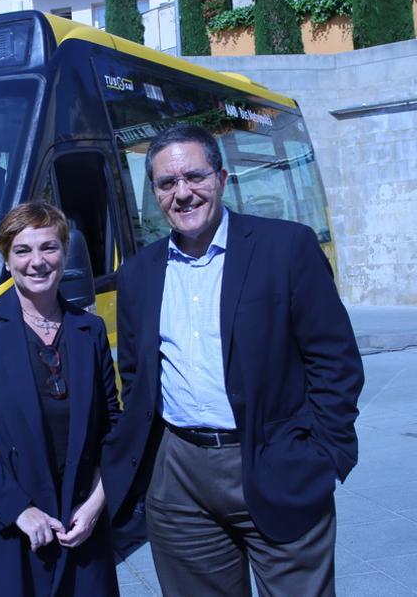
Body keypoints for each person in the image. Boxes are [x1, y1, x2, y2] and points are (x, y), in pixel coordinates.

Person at [102, 123, 365, 596]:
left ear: (222, 179)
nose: (182, 193)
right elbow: (136, 374)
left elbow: (335, 359)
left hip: (273, 458)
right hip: (178, 477)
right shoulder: (139, 273)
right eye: (167, 183)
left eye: (195, 177)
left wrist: (323, 454)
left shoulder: (286, 248)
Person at [0, 201, 121, 597]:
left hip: (78, 526)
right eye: (22, 250)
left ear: (65, 253)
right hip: (4, 526)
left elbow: (112, 429)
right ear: (7, 261)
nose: (37, 261)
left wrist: (94, 508)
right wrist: (18, 509)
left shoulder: (89, 330)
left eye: (48, 247)